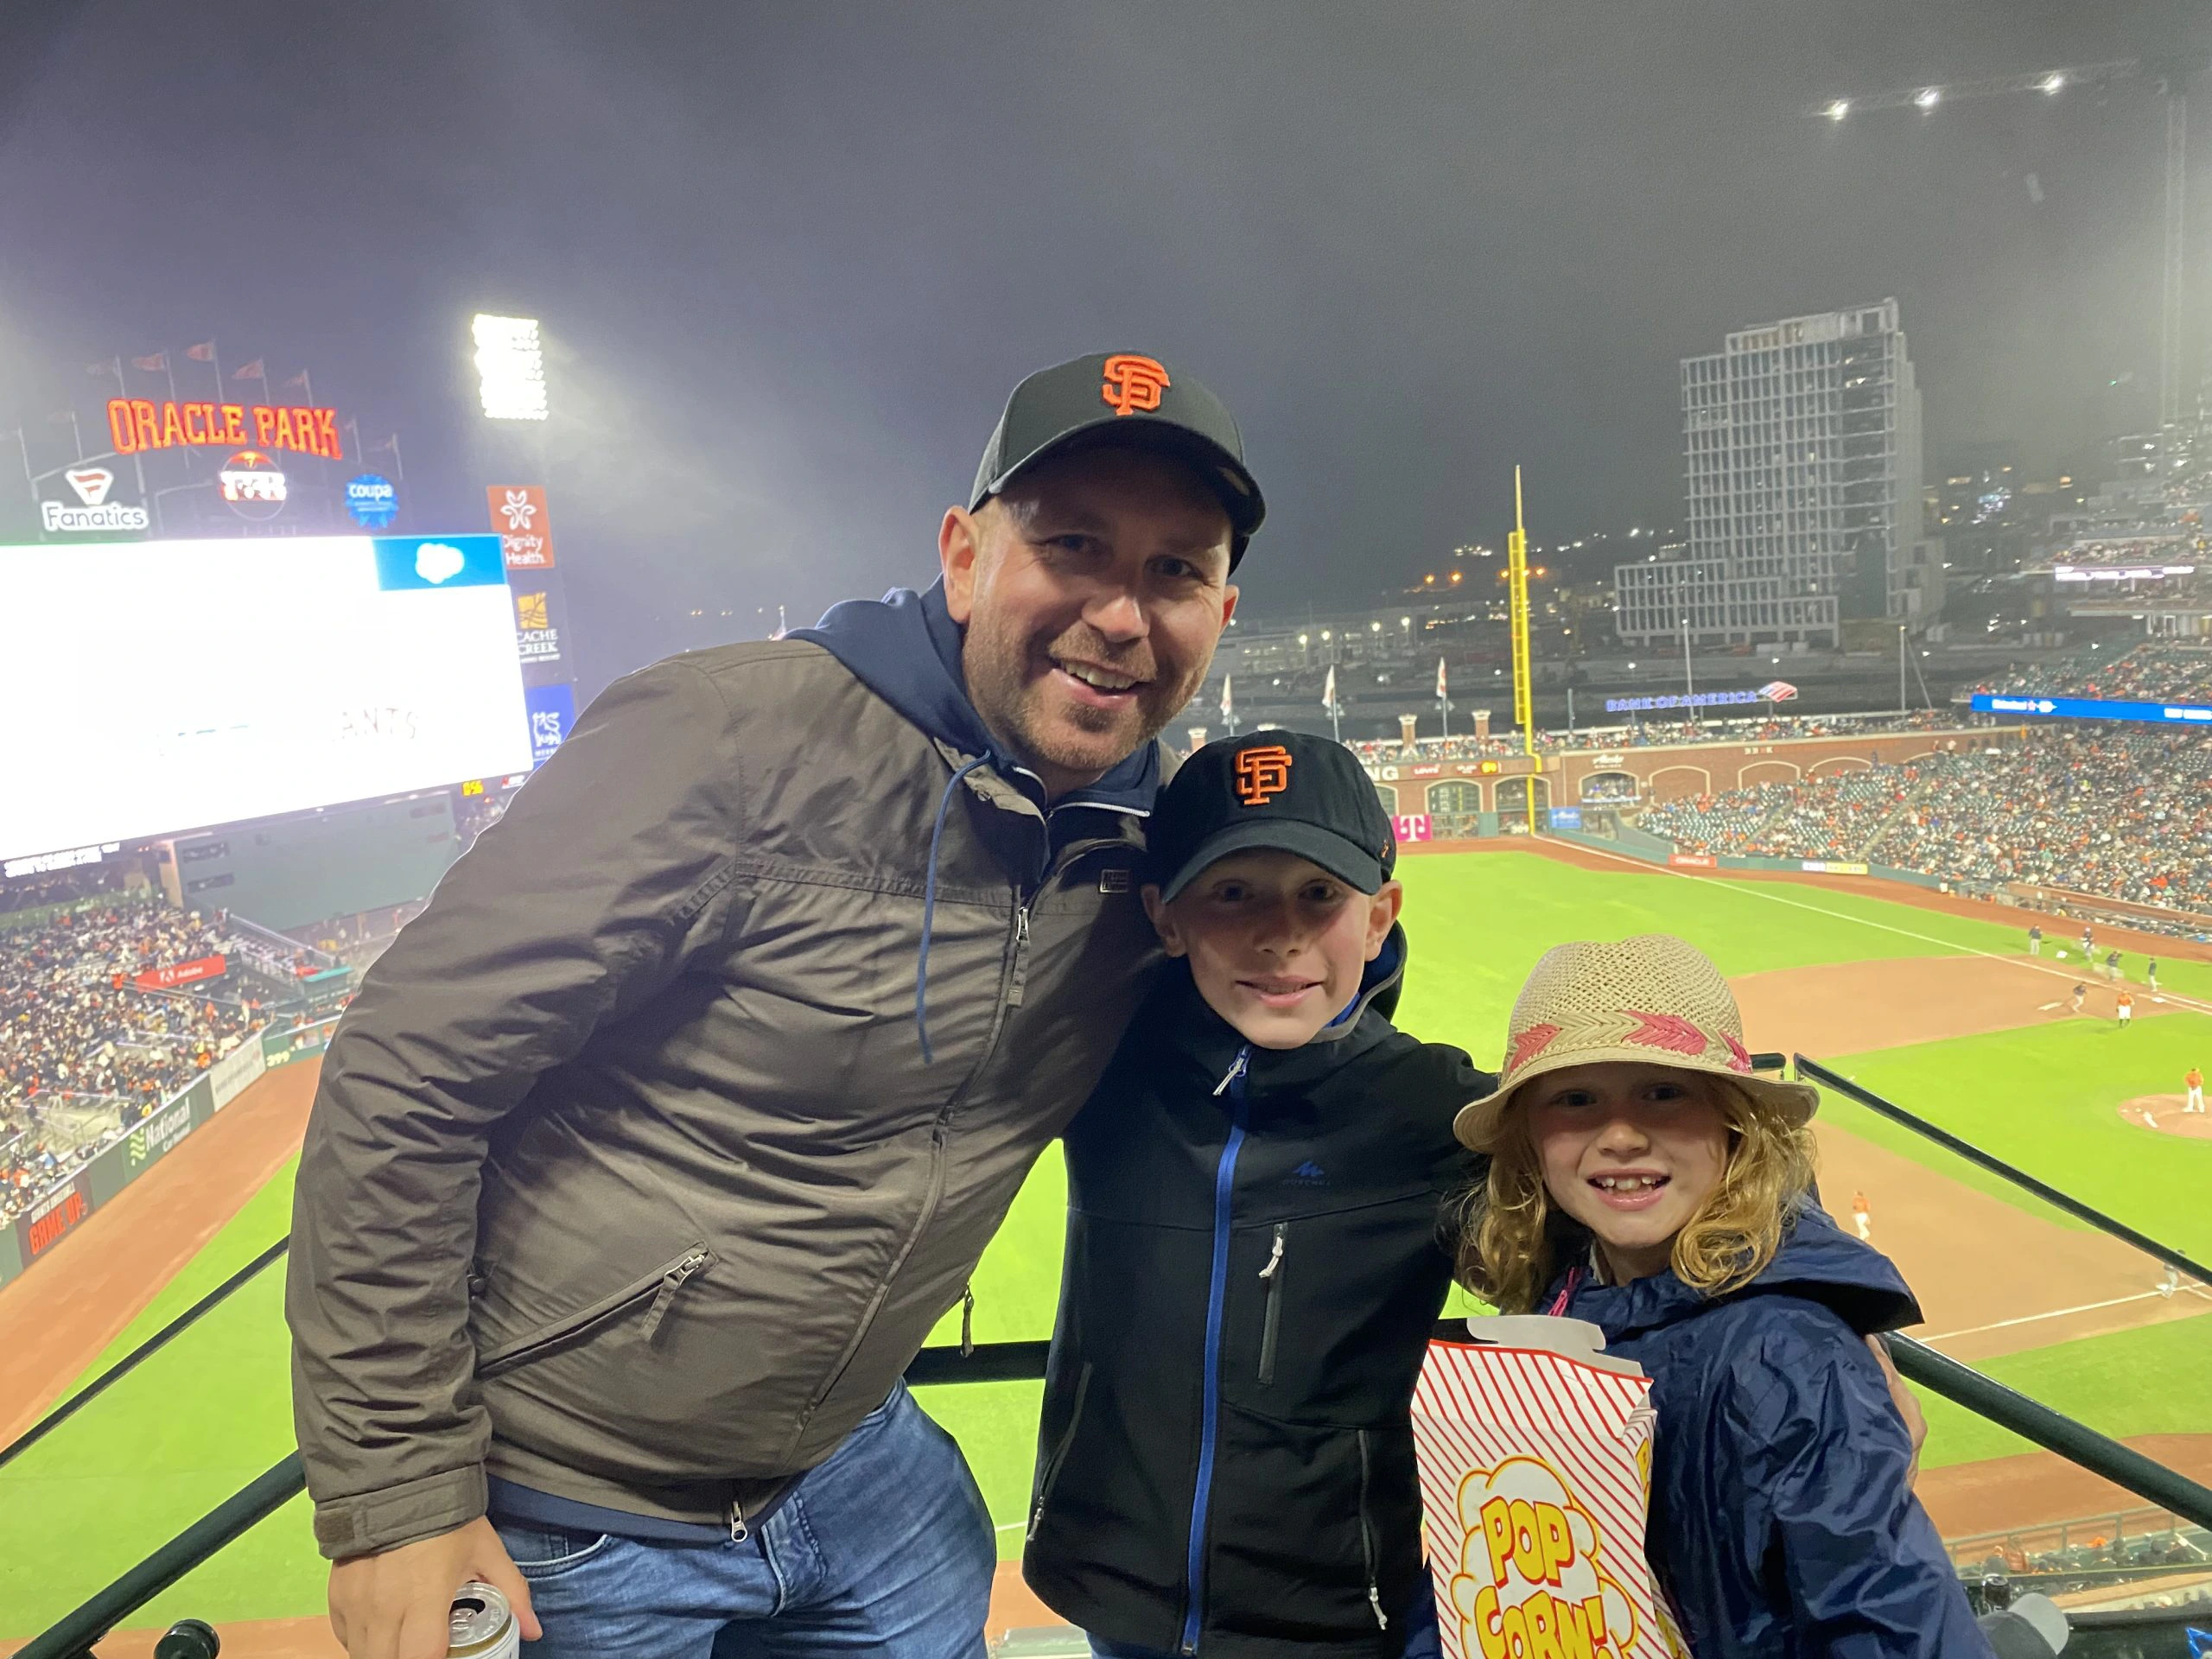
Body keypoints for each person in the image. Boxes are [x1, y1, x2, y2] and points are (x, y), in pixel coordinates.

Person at [284, 351, 1266, 1659]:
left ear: (1222, 610)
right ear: (965, 558)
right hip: (569, 1510)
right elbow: (405, 1073)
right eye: (1073, 544)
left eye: (1174, 571)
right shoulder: (728, 740)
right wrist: (396, 1501)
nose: (1121, 613)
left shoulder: (1142, 846)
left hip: (857, 1471)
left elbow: (1275, 1014)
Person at [1023, 730, 1489, 1655]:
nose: (1280, 933)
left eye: (1319, 893)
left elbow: (1635, 1191)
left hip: (1336, 1612)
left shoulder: (1437, 1110)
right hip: (1117, 1594)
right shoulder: (1103, 1066)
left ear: (1380, 915)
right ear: (1165, 917)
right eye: (1231, 893)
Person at [1451, 935, 1995, 1658]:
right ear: (1530, 1139)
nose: (1620, 1135)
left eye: (1665, 1092)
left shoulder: (1789, 1353)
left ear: (1733, 1121)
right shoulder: (1567, 1298)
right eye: (1575, 1099)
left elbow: (1893, 1629)